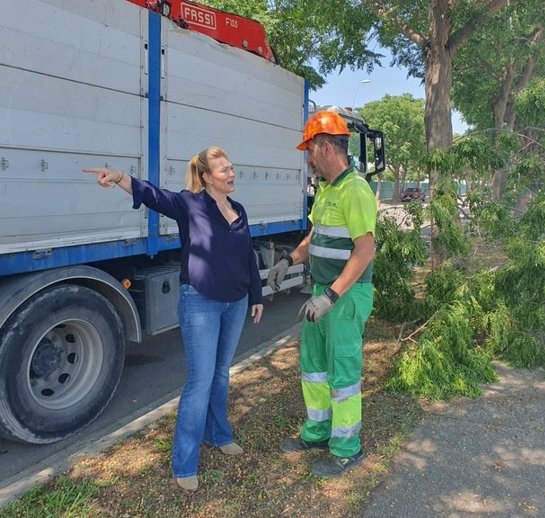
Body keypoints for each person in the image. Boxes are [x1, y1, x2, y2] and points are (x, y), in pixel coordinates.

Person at [83, 147, 263, 491]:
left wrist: (256, 296)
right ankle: (184, 464)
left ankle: (218, 434)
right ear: (207, 177)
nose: (231, 173)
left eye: (231, 167)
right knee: (200, 381)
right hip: (201, 302)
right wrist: (120, 177)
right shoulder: (190, 203)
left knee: (221, 374)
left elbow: (247, 256)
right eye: (224, 169)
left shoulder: (238, 209)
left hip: (236, 301)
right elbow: (154, 196)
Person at [267, 111, 377, 478]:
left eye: (310, 150)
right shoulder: (327, 190)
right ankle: (317, 432)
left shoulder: (355, 188)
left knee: (342, 370)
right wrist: (289, 259)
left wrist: (330, 296)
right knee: (314, 367)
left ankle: (346, 448)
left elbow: (365, 251)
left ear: (326, 146)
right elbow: (315, 238)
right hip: (323, 292)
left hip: (345, 296)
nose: (308, 158)